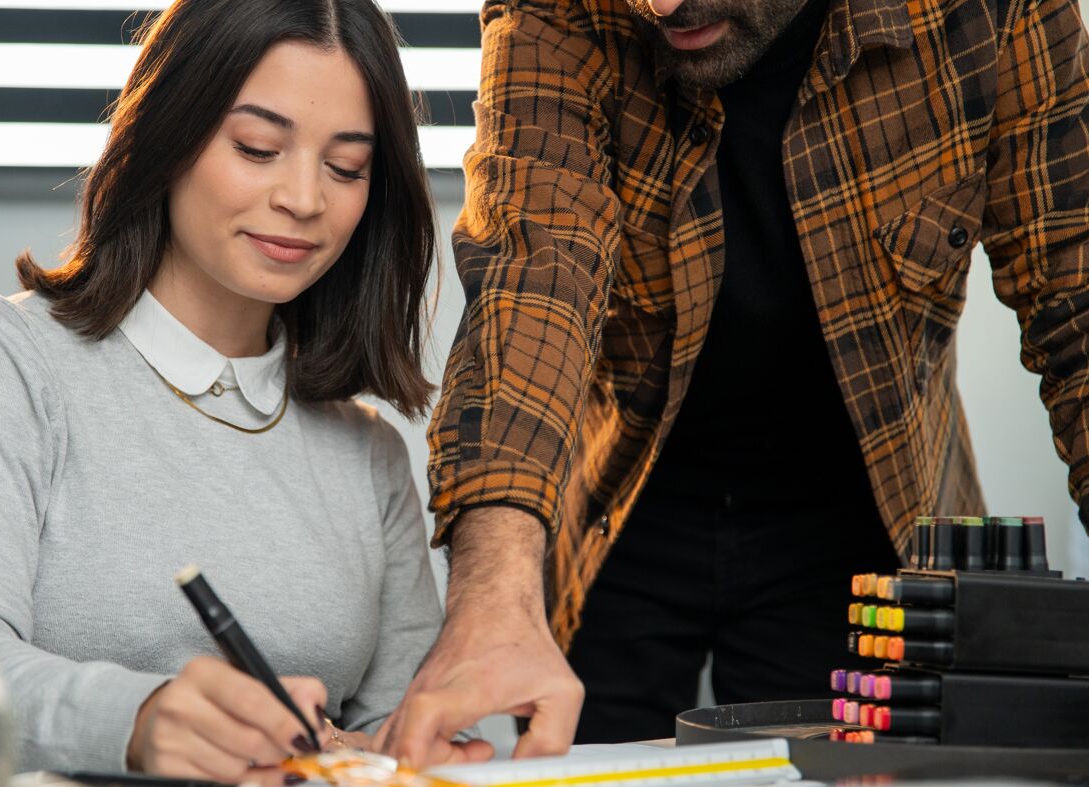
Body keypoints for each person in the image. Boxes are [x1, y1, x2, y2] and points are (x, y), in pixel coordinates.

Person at [379, 0, 1089, 761]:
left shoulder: (993, 11)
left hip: (853, 505)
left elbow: (1076, 300)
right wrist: (492, 598)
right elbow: (532, 278)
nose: (657, 4)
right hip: (621, 504)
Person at [0, 0, 491, 778]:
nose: (304, 199)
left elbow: (404, 728)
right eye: (258, 147)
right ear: (168, 136)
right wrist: (136, 720)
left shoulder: (364, 450)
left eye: (345, 167)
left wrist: (412, 746)